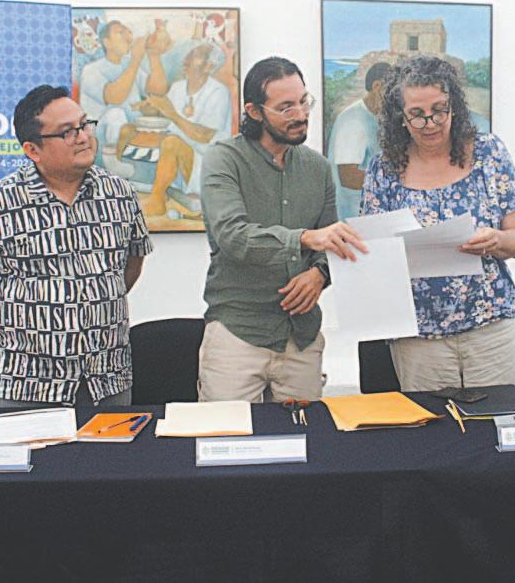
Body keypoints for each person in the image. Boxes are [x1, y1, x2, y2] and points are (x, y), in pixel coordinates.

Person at [0, 85, 154, 407]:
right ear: (33, 150)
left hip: (107, 379)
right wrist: (17, 316)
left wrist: (95, 302)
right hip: (26, 383)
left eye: (84, 124)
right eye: (67, 132)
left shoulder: (120, 193)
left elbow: (133, 261)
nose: (83, 137)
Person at [198, 57, 367, 403]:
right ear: (254, 111)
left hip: (301, 337)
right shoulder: (223, 159)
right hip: (238, 335)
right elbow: (233, 236)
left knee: (306, 434)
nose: (301, 114)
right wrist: (304, 238)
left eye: (304, 101)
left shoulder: (318, 168)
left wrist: (319, 275)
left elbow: (330, 243)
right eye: (286, 107)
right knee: (227, 434)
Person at [361, 55, 515, 392]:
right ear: (400, 117)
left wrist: (496, 240)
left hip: (490, 327)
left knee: (497, 420)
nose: (430, 123)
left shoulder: (489, 153)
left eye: (439, 110)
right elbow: (373, 255)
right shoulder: (384, 170)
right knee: (433, 425)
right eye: (417, 115)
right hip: (418, 337)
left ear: (455, 107)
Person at [116, 43, 233, 216]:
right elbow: (164, 115)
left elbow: (203, 136)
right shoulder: (178, 87)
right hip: (174, 158)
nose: (186, 60)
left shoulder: (219, 92)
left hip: (205, 165)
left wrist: (171, 113)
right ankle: (119, 186)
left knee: (171, 142)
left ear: (209, 66)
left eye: (195, 56)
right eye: (189, 54)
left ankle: (157, 200)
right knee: (129, 130)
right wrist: (150, 106)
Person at [78, 20, 169, 173]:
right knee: (116, 113)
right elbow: (114, 97)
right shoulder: (91, 70)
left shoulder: (129, 64)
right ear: (107, 42)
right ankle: (113, 162)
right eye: (120, 33)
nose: (128, 38)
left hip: (130, 135)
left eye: (128, 33)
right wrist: (136, 59)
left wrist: (153, 55)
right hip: (98, 140)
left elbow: (158, 90)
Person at [327, 62, 392, 221]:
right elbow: (348, 177)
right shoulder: (353, 121)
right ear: (377, 86)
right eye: (392, 92)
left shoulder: (375, 116)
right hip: (353, 217)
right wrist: (395, 182)